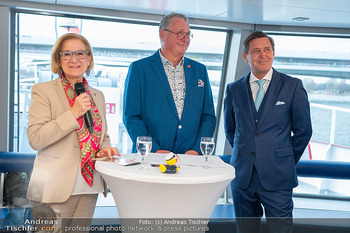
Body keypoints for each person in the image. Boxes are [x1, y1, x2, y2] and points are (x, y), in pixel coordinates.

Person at [26, 33, 120, 232]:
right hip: (52, 188)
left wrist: (105, 149)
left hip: (89, 186)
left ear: (89, 59)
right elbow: (36, 138)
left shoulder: (98, 95)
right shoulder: (43, 90)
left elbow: (102, 134)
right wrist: (73, 113)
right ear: (58, 59)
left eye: (80, 53)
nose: (74, 59)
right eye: (67, 54)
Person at [224, 31, 312, 233]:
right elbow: (231, 130)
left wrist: (284, 158)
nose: (262, 55)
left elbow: (304, 131)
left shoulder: (292, 86)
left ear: (273, 53)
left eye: (267, 50)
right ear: (246, 56)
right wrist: (245, 154)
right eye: (256, 51)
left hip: (278, 176)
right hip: (243, 177)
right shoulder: (233, 89)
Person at [123, 12, 216, 155]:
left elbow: (208, 116)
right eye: (180, 33)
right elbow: (131, 116)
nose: (185, 39)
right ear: (162, 34)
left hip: (190, 159)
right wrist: (153, 149)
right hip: (150, 157)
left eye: (188, 34)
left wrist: (197, 149)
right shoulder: (139, 69)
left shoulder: (200, 70)